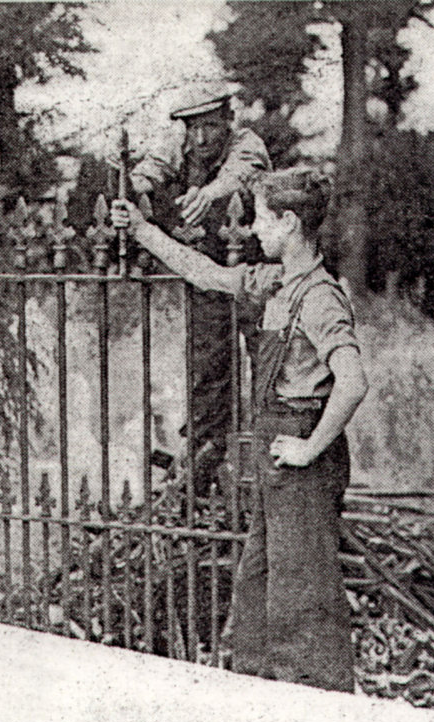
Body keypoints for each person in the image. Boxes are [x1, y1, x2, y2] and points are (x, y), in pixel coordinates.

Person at [112, 166, 367, 692]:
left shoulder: (320, 297)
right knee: (259, 585)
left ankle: (317, 706)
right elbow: (205, 273)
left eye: (261, 219)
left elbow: (354, 382)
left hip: (302, 461)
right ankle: (259, 695)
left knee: (303, 594)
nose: (252, 229)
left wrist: (309, 447)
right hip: (277, 460)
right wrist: (141, 230)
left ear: (291, 223)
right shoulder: (275, 282)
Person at [130, 85, 271, 494]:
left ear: (227, 119)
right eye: (193, 129)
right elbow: (152, 168)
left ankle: (264, 455)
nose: (201, 139)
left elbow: (240, 174)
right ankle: (209, 455)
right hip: (205, 275)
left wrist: (209, 194)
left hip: (253, 272)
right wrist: (135, 183)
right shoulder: (182, 147)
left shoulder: (246, 143)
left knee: (266, 361)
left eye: (210, 126)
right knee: (207, 363)